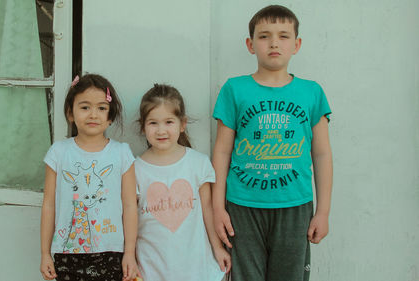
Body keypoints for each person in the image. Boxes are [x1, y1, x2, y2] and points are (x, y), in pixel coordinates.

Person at [212, 5, 333, 281]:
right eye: (264, 36)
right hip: (242, 206)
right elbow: (221, 151)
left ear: (297, 44)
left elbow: (323, 154)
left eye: (283, 36)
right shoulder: (234, 89)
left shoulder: (311, 92)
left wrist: (323, 211)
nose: (274, 43)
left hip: (295, 205)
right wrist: (218, 208)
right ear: (250, 44)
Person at [40, 74, 140, 281]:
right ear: (70, 112)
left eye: (101, 108)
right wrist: (45, 253)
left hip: (111, 252)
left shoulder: (122, 153)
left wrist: (129, 253)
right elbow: (49, 204)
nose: (93, 114)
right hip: (67, 252)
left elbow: (130, 205)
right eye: (85, 107)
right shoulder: (58, 152)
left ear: (110, 116)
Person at [134, 84, 231, 281]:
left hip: (195, 265)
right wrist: (130, 258)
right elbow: (130, 221)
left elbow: (208, 210)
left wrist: (218, 248)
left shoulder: (198, 163)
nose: (161, 130)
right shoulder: (135, 169)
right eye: (153, 123)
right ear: (143, 126)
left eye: (169, 122)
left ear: (182, 124)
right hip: (151, 267)